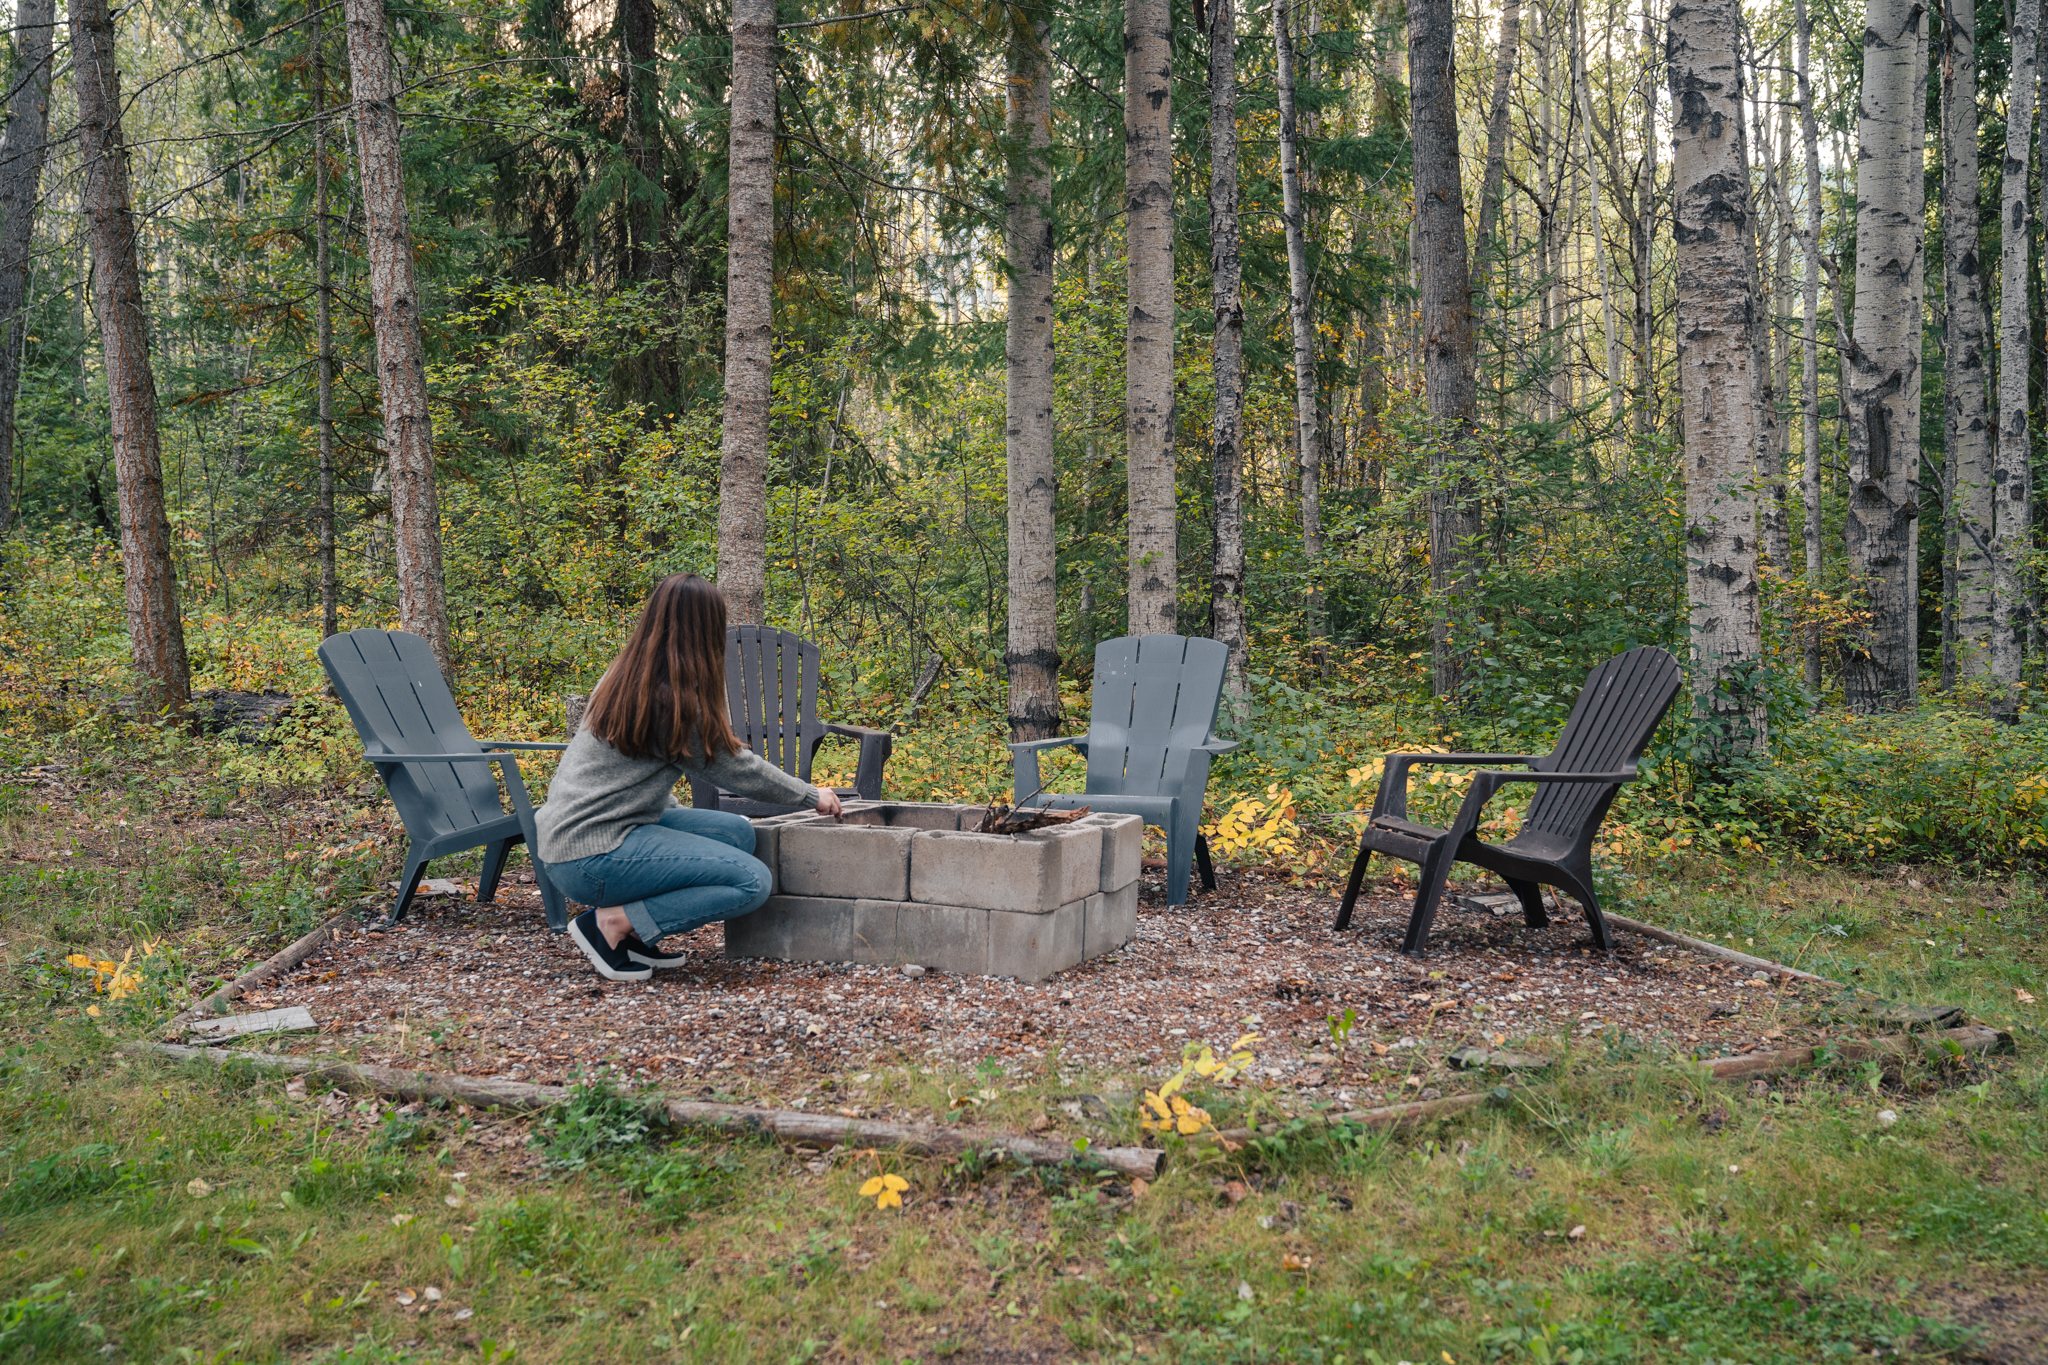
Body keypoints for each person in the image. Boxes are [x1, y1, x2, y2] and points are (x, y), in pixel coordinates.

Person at [536, 573, 841, 981]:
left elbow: (630, 776)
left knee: (737, 833)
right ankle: (612, 924)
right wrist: (809, 795)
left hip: (578, 835)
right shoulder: (671, 701)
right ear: (706, 630)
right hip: (591, 855)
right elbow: (734, 768)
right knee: (751, 882)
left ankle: (633, 934)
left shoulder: (627, 676)